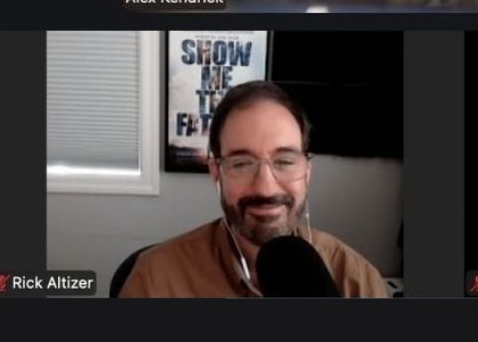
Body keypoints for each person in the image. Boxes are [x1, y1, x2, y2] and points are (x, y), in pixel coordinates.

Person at [116, 80, 391, 297]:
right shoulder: (153, 281)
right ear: (216, 173)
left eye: (284, 161)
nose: (266, 187)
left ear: (306, 172)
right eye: (242, 163)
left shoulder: (357, 281)